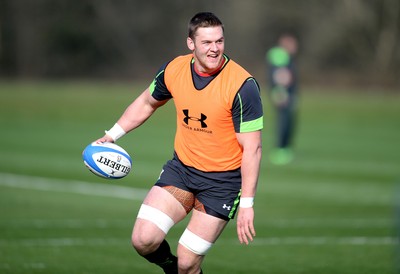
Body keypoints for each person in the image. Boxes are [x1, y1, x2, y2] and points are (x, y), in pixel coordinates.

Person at [95, 12, 263, 274]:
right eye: (207, 42)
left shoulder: (243, 85)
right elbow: (146, 102)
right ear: (191, 43)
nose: (214, 48)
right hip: (182, 171)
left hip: (222, 183)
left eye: (219, 41)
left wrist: (247, 205)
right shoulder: (174, 69)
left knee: (188, 262)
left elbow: (252, 149)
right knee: (143, 239)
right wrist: (112, 134)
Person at [266, 34, 299, 165]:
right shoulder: (279, 55)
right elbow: (280, 75)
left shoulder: (285, 56)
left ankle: (285, 148)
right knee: (283, 120)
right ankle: (280, 150)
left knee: (288, 120)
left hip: (286, 94)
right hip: (282, 94)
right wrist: (281, 92)